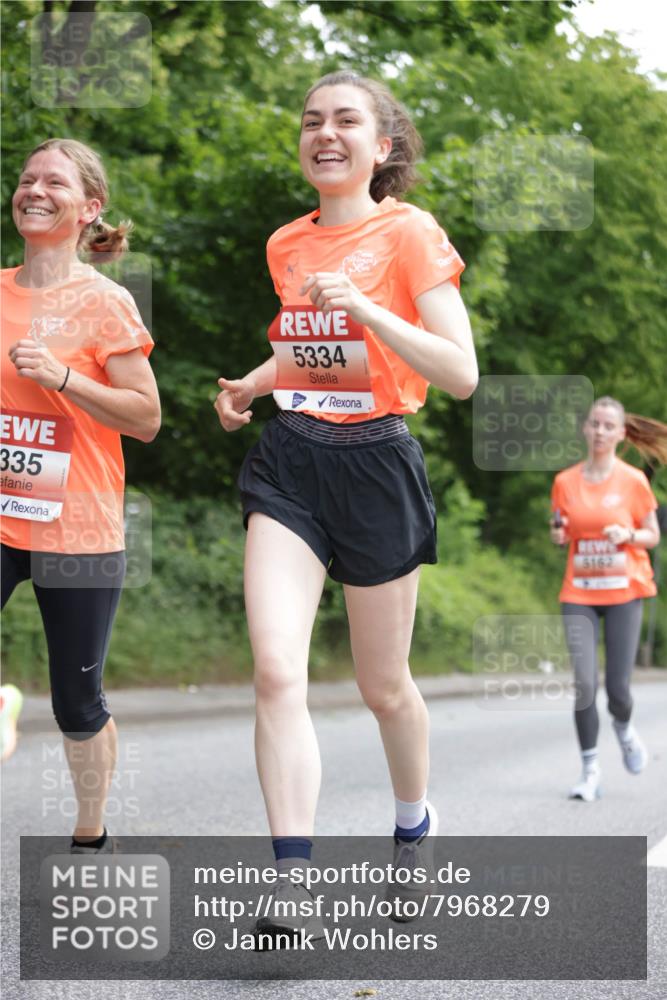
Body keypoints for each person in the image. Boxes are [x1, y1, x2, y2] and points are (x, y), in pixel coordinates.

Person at [215, 71, 478, 930]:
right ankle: (291, 878)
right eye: (311, 120)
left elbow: (459, 373)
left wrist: (367, 306)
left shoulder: (409, 234)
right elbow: (308, 353)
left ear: (382, 146)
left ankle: (413, 823)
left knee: (382, 686)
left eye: (346, 120)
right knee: (275, 670)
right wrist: (251, 387)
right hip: (290, 462)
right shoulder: (286, 243)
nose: (324, 133)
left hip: (376, 466)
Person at [1, 139, 160, 851]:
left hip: (79, 526)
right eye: (26, 178)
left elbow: (146, 417)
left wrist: (62, 377)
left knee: (76, 701)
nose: (34, 189)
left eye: (54, 181)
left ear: (89, 208)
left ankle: (91, 832)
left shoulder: (106, 303)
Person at [550, 397, 665, 802]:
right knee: (584, 685)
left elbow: (652, 534)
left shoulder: (634, 481)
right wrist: (559, 535)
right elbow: (561, 527)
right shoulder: (565, 481)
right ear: (585, 429)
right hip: (578, 591)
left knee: (618, 689)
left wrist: (629, 536)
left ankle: (624, 728)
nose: (599, 430)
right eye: (594, 423)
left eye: (607, 425)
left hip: (624, 591)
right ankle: (590, 770)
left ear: (620, 434)